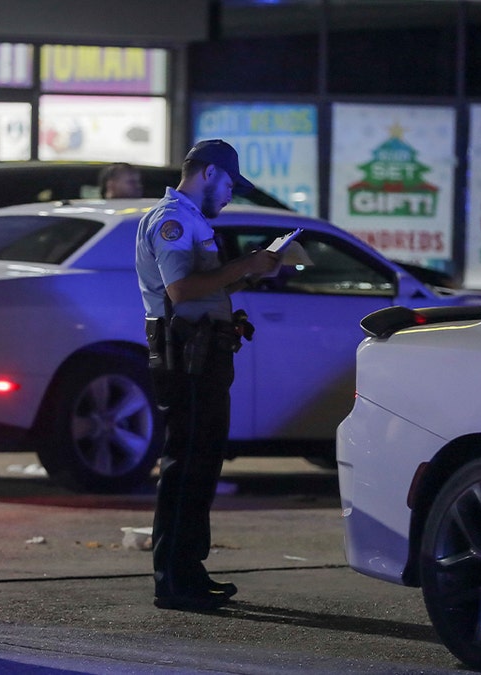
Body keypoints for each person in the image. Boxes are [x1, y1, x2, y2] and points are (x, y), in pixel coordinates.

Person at [135, 139, 281, 611]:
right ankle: (175, 580)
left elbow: (202, 289)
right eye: (229, 185)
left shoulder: (190, 220)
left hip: (202, 355)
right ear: (209, 173)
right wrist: (245, 265)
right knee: (187, 466)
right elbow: (181, 290)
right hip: (187, 358)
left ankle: (188, 573)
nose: (230, 195)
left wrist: (247, 275)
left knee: (200, 466)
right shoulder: (173, 221)